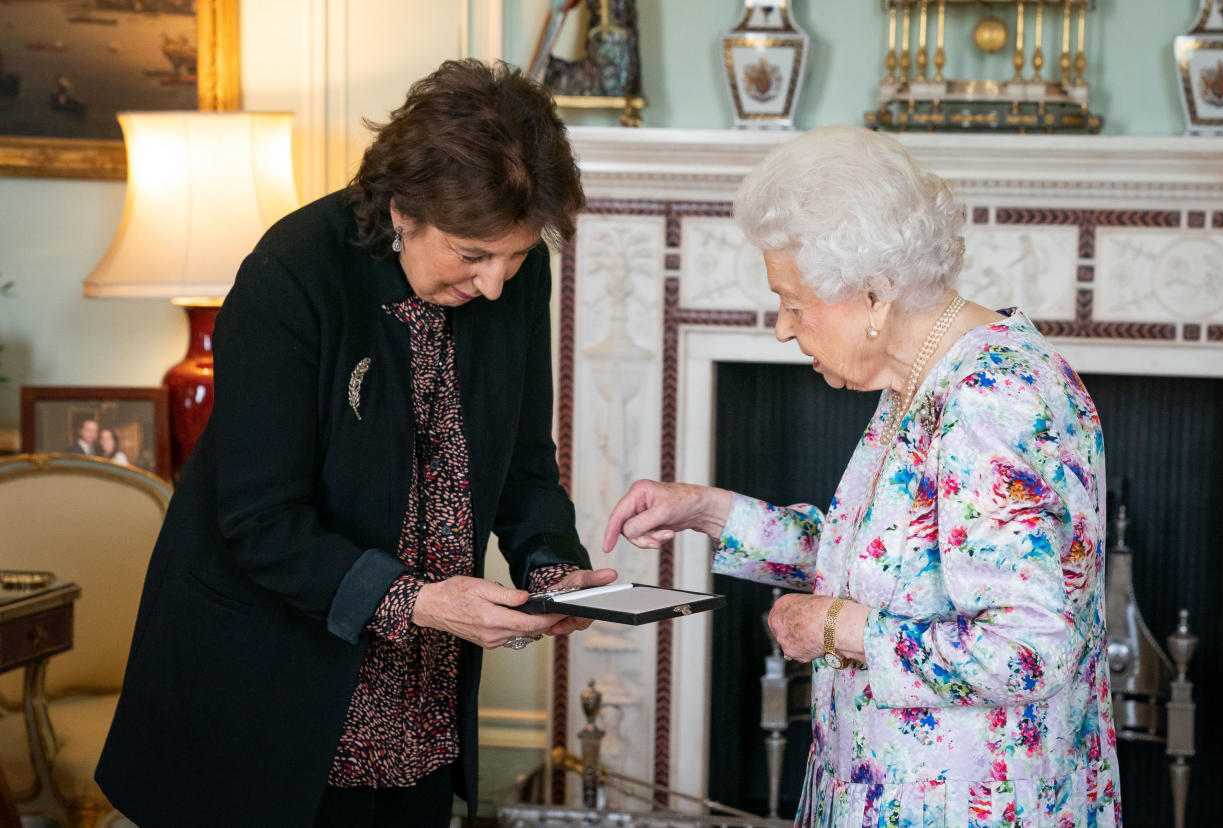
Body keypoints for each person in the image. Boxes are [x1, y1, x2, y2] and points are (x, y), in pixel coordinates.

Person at [96, 59, 615, 828]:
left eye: (517, 254)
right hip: (271, 679)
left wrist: (553, 566)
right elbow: (260, 521)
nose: (498, 282)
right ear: (404, 209)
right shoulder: (291, 275)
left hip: (422, 696)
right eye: (472, 256)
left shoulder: (512, 275)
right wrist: (418, 601)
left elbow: (523, 462)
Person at [604, 126, 1120, 828]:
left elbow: (1027, 651)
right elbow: (886, 560)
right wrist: (704, 510)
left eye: (792, 300)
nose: (783, 329)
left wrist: (841, 629)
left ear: (874, 296)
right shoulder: (921, 380)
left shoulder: (990, 399)